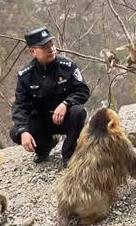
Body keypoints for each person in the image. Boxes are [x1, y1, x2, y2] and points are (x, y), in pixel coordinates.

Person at [9, 27, 89, 164]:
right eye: (44, 47)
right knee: (16, 132)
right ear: (33, 51)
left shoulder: (67, 66)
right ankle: (45, 146)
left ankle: (69, 153)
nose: (51, 49)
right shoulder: (26, 76)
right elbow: (20, 107)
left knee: (79, 111)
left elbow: (83, 91)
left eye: (51, 45)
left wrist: (66, 103)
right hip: (42, 121)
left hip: (66, 119)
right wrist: (23, 131)